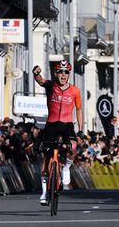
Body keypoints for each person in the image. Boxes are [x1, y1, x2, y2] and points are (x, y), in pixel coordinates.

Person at [33, 60, 84, 205]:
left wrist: (80, 130)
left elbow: (79, 110)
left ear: (69, 74)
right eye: (60, 72)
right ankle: (43, 193)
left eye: (66, 72)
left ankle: (66, 168)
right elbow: (40, 80)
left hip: (67, 124)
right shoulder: (51, 85)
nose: (63, 75)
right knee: (47, 158)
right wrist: (35, 73)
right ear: (56, 73)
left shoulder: (75, 91)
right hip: (51, 124)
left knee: (73, 146)